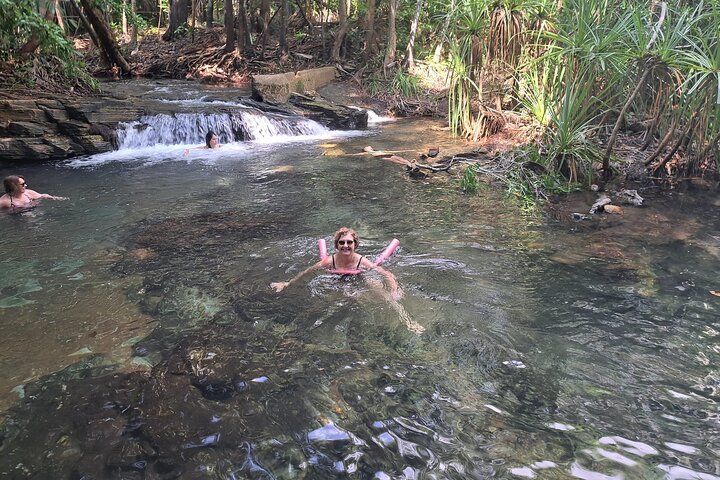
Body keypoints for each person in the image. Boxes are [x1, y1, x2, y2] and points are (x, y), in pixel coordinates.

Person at [270, 227, 403, 300]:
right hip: (335, 279)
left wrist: (394, 289)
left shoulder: (361, 261)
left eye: (349, 242)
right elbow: (307, 272)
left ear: (355, 245)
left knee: (383, 295)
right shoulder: (329, 261)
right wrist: (287, 283)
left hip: (359, 276)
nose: (345, 245)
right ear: (336, 245)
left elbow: (386, 273)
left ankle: (409, 322)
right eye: (342, 242)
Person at [0, 175, 67, 211]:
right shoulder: (4, 201)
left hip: (34, 210)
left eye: (25, 183)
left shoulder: (28, 193)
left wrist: (54, 198)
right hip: (17, 218)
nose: (25, 185)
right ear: (14, 186)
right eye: (22, 184)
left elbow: (42, 195)